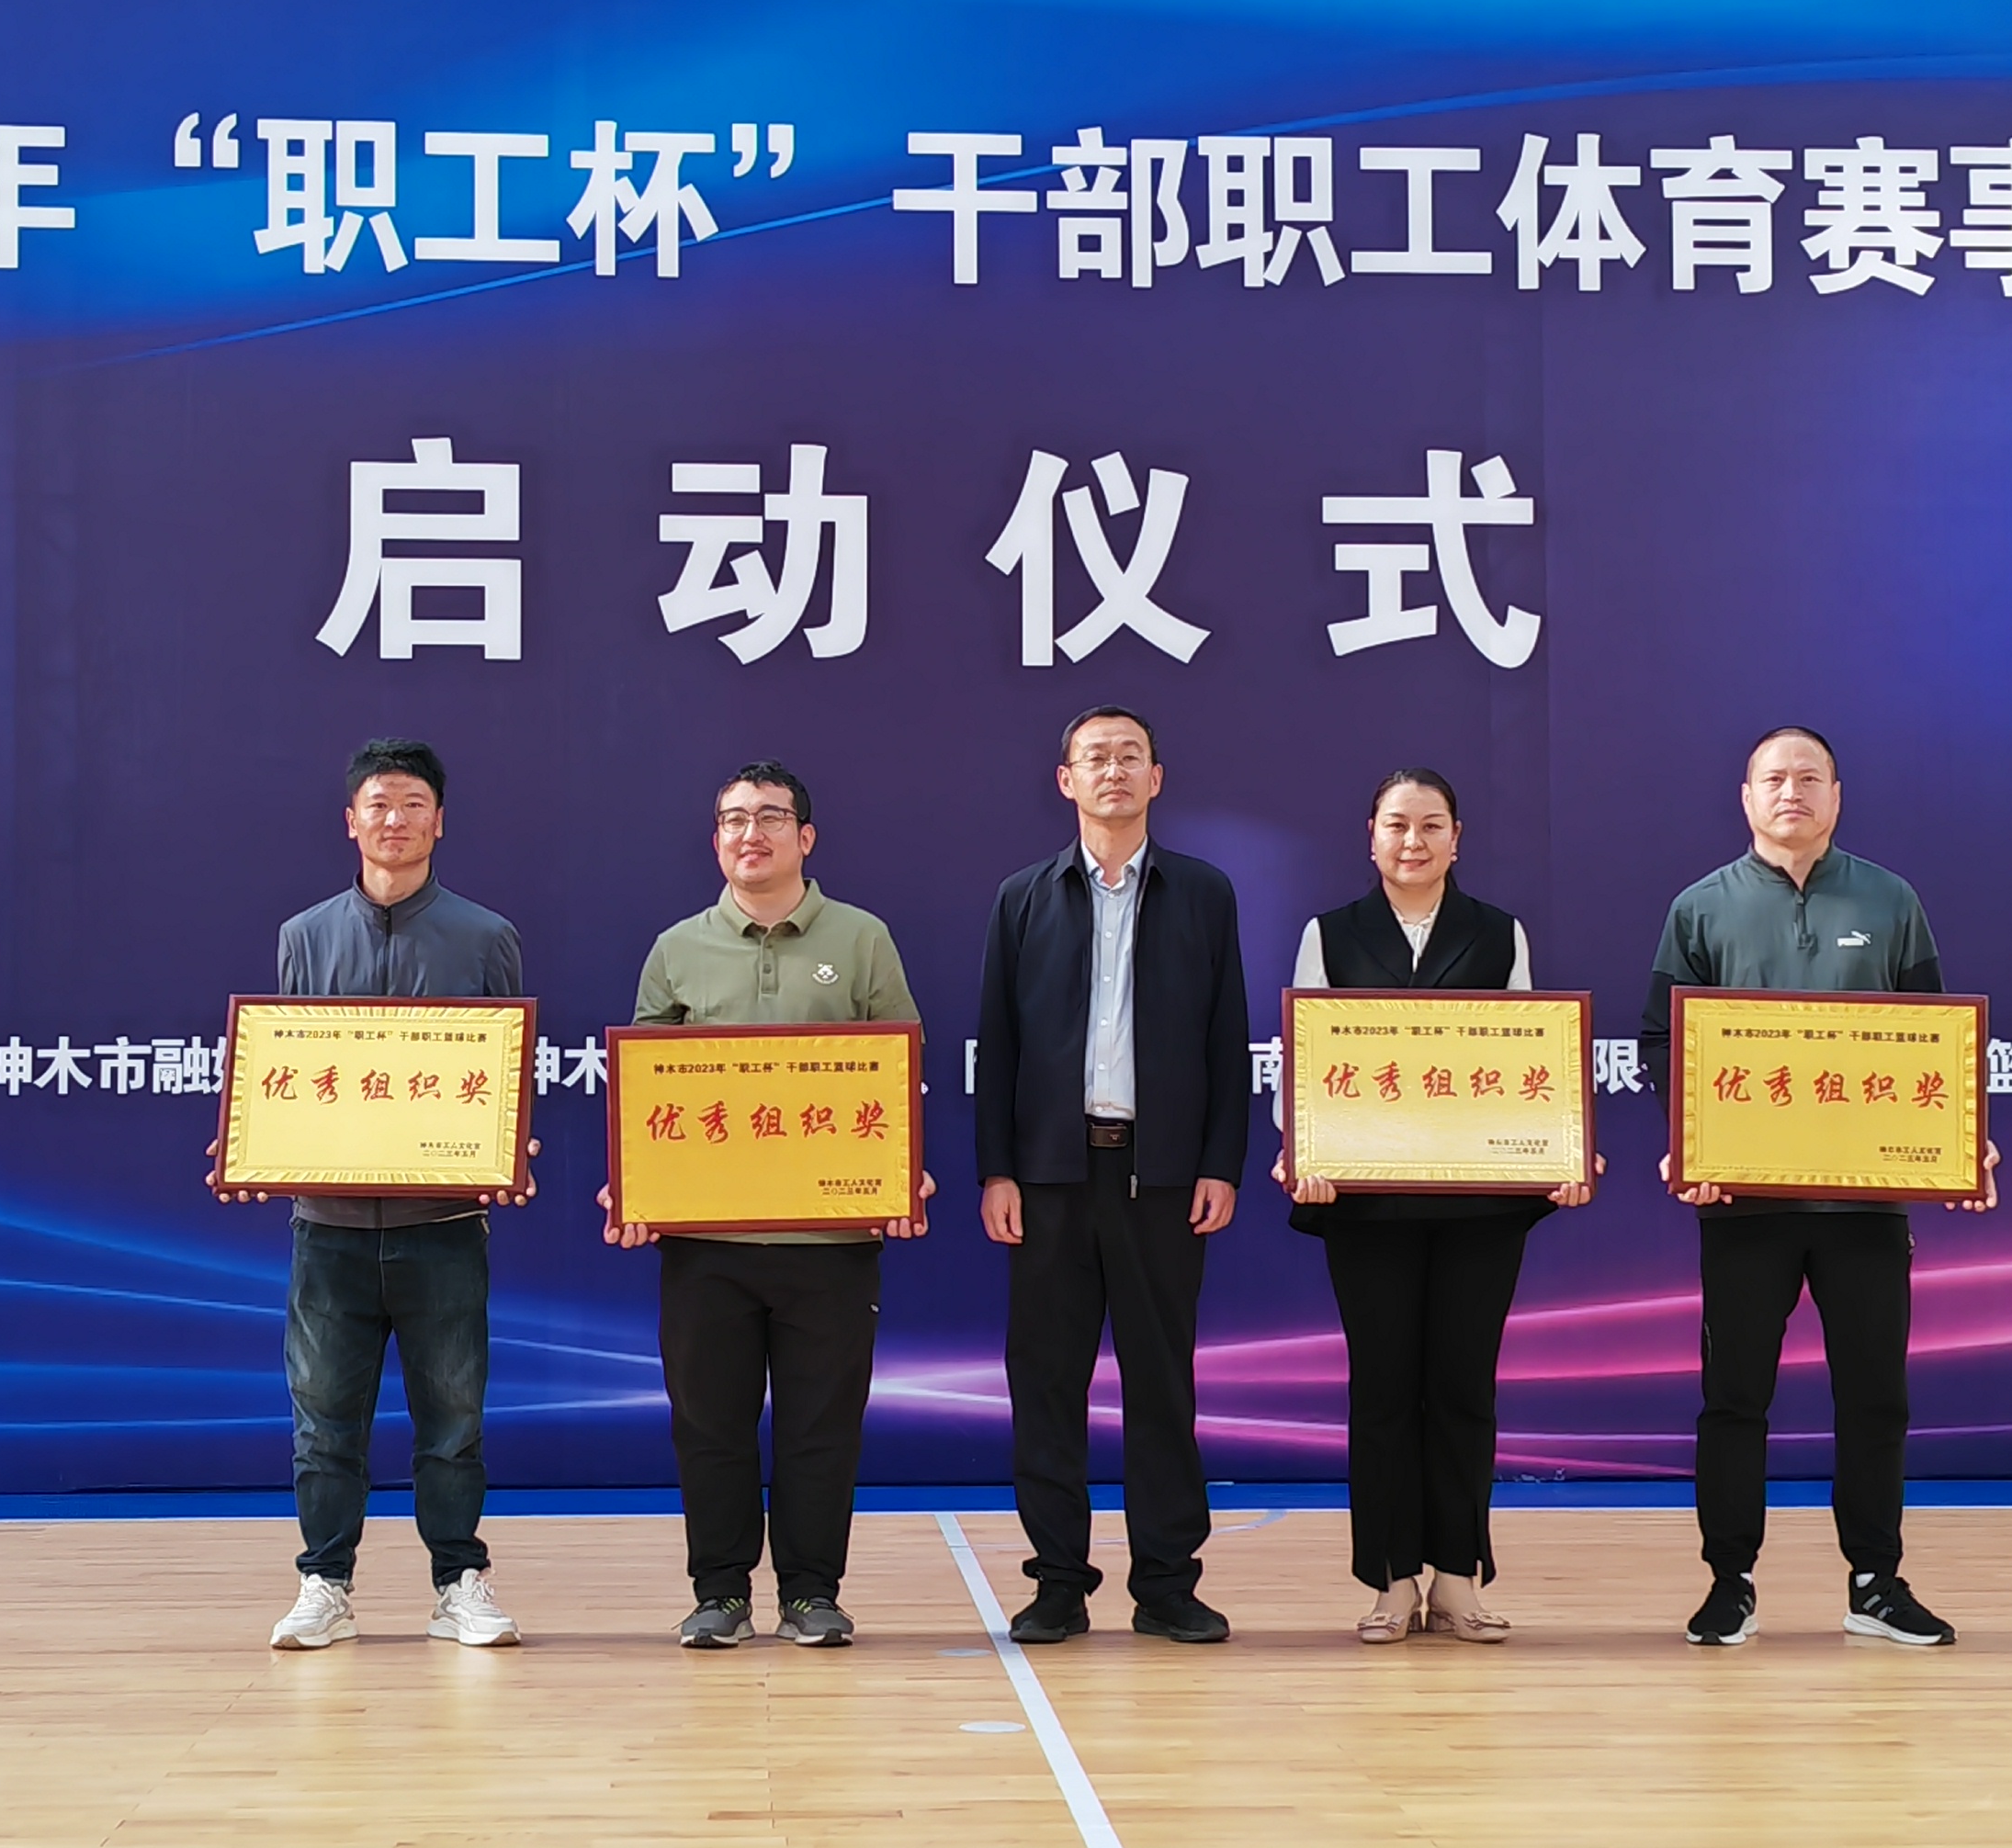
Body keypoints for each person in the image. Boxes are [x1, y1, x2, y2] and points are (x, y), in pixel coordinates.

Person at [1643, 726, 1995, 1651]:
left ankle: (1875, 1581)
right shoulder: (1699, 908)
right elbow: (1661, 1044)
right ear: (1745, 796)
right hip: (1744, 1205)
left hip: (1863, 1203)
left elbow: (1933, 1041)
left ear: (1837, 795)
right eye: (1773, 777)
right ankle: (1729, 1583)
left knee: (1875, 1397)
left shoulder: (1889, 901)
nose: (1790, 791)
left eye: (1809, 777)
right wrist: (1690, 1143)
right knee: (1734, 1398)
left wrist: (1963, 1142)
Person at [605, 761, 928, 1651]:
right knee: (709, 1426)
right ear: (716, 839)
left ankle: (812, 1594)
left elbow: (898, 1071)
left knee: (821, 1429)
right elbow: (648, 1088)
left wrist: (904, 1172)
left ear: (805, 837)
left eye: (771, 818)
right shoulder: (678, 948)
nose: (751, 833)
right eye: (734, 819)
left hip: (830, 1239)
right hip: (706, 1243)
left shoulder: (861, 939)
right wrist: (634, 1185)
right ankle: (719, 1593)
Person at [1275, 768, 1600, 1645]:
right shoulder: (1330, 934)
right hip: (1365, 1200)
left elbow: (1532, 1060)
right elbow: (1303, 1055)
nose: (1412, 842)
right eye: (1396, 825)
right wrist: (1301, 1152)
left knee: (1463, 1387)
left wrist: (1563, 1148)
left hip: (1476, 1206)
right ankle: (1390, 1580)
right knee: (1383, 1389)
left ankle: (1457, 1577)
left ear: (1458, 839)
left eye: (1430, 826)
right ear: (1370, 836)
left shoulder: (1497, 933)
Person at [232, 738, 530, 1655]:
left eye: (412, 804)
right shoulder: (304, 935)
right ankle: (324, 1583)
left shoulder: (486, 936)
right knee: (324, 1420)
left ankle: (458, 1583)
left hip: (444, 1226)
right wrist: (257, 1141)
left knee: (454, 1420)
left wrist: (510, 1144)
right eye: (378, 804)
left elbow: (507, 1077)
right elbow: (291, 1074)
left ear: (439, 822)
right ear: (350, 821)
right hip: (328, 1229)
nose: (394, 820)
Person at [973, 706, 1249, 1645]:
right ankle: (1058, 1581)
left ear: (1157, 778)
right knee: (1047, 1385)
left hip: (1161, 1178)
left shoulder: (1203, 893)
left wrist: (1218, 1163)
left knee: (1162, 1386)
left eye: (1131, 756)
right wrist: (997, 1170)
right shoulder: (1022, 897)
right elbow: (999, 1046)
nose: (1114, 771)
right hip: (1050, 1180)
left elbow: (1225, 1040)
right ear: (1067, 781)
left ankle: (1166, 1582)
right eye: (1096, 757)